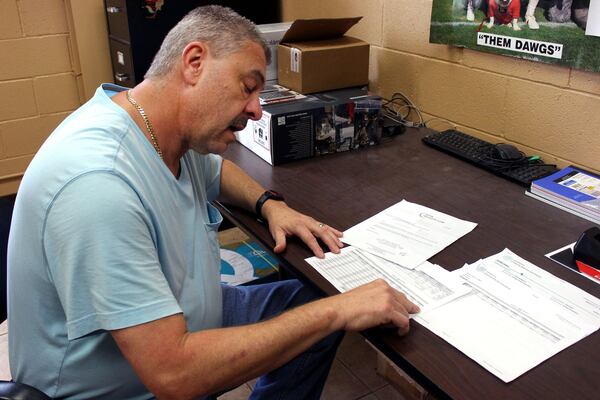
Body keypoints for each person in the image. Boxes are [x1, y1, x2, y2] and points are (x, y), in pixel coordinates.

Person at [7, 5, 419, 399]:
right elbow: (174, 376)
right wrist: (339, 313)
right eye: (248, 86)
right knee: (329, 312)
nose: (257, 110)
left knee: (315, 301)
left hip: (188, 311)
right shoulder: (99, 185)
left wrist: (270, 205)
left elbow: (216, 172)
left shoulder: (162, 131)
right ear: (194, 63)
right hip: (135, 384)